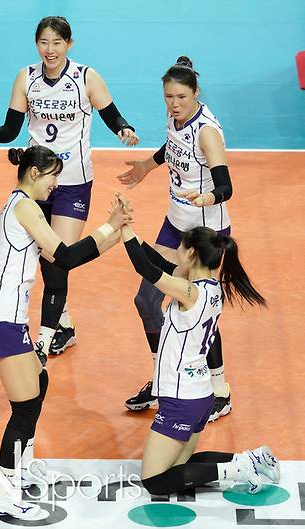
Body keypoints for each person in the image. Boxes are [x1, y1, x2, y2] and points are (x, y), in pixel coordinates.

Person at [0, 146, 131, 520]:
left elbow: (65, 259)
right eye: (52, 175)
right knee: (25, 406)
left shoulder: (21, 205)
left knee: (39, 381)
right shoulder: (26, 208)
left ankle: (24, 466)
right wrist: (109, 226)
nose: (56, 184)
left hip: (4, 315)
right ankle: (2, 491)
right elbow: (66, 256)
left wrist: (115, 233)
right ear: (33, 173)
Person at [0, 16, 139, 359]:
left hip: (73, 182)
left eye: (57, 43)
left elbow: (112, 114)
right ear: (36, 44)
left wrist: (124, 129)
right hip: (37, 181)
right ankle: (63, 323)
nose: (50, 50)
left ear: (69, 44)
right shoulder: (26, 78)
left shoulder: (85, 78)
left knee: (57, 257)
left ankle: (46, 338)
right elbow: (12, 127)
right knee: (44, 256)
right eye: (44, 43)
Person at [119, 215, 278, 496]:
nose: (176, 252)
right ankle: (252, 459)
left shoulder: (189, 291)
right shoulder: (210, 288)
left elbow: (146, 268)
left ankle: (238, 468)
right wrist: (129, 230)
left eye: (180, 247)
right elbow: (160, 263)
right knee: (179, 467)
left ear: (191, 253)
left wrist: (122, 235)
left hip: (181, 398)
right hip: (200, 395)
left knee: (155, 481)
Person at [118, 56, 234, 421]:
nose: (174, 103)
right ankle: (161, 379)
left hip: (204, 233)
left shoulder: (207, 132)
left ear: (196, 93)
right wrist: (146, 167)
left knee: (201, 311)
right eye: (168, 96)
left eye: (181, 97)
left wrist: (208, 197)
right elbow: (172, 147)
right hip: (174, 225)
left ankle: (220, 390)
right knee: (146, 300)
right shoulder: (176, 118)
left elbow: (226, 186)